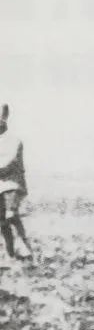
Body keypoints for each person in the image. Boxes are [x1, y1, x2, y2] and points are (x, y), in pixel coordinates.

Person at [0, 103, 32, 261]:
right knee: (2, 221)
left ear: (4, 118)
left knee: (10, 215)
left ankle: (24, 247)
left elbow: (8, 162)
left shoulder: (14, 141)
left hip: (12, 185)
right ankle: (10, 251)